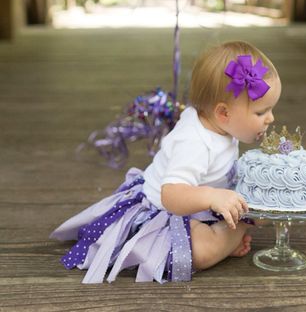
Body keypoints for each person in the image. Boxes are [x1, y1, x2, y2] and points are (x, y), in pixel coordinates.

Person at [50, 40, 281, 283]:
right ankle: (237, 230)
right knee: (201, 253)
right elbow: (172, 196)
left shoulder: (221, 126)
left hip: (202, 203)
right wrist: (214, 197)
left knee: (268, 204)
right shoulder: (194, 143)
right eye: (261, 112)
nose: (270, 118)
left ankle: (228, 235)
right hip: (170, 210)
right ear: (223, 113)